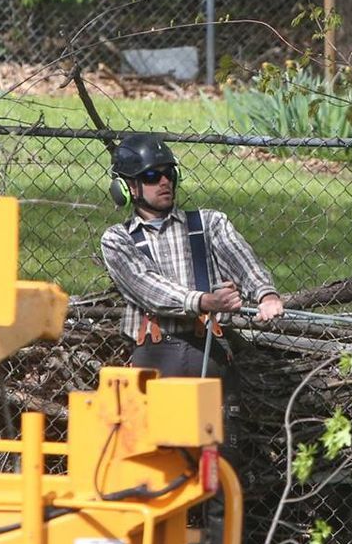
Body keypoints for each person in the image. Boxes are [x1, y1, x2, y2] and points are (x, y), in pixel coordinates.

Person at [98, 133, 284, 382]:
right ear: (128, 187)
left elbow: (243, 262)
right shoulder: (117, 239)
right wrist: (205, 301)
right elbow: (149, 289)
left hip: (210, 353)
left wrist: (266, 294)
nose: (164, 182)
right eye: (152, 176)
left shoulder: (209, 223)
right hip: (155, 361)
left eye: (169, 174)